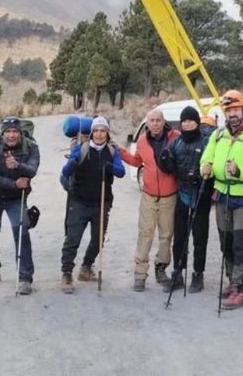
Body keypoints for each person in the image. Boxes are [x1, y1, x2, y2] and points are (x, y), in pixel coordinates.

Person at [200, 90, 243, 310]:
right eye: (228, 110)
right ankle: (232, 279)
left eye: (236, 109)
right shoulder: (218, 134)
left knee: (240, 243)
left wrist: (239, 172)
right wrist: (205, 166)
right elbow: (207, 156)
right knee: (225, 241)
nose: (232, 114)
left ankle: (241, 289)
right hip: (221, 194)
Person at [59, 116, 125, 293]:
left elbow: (121, 172)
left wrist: (110, 166)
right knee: (73, 239)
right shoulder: (82, 148)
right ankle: (66, 273)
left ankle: (86, 268)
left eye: (103, 130)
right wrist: (72, 163)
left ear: (107, 133)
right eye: (96, 130)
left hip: (101, 202)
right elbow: (65, 171)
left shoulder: (112, 151)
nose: (99, 134)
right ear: (92, 133)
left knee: (98, 239)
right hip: (79, 201)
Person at [0, 117, 40, 295]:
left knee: (21, 232)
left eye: (15, 132)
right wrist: (14, 184)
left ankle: (25, 278)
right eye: (8, 132)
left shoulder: (31, 146)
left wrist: (18, 166)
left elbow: (33, 169)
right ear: (2, 133)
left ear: (20, 133)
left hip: (17, 199)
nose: (11, 135)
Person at [119, 109, 180, 292]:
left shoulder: (175, 137)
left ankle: (161, 269)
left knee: (166, 235)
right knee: (145, 235)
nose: (154, 123)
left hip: (170, 196)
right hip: (148, 196)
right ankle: (140, 274)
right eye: (151, 120)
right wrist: (120, 150)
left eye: (158, 120)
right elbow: (137, 161)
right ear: (147, 123)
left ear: (163, 122)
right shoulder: (142, 140)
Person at [159, 106, 213, 293]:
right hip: (182, 194)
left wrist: (200, 175)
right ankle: (178, 273)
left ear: (197, 122)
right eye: (184, 121)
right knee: (180, 237)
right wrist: (165, 161)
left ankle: (198, 274)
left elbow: (212, 165)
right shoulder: (176, 142)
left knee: (199, 237)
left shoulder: (206, 141)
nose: (187, 124)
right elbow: (169, 166)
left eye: (190, 120)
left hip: (201, 196)